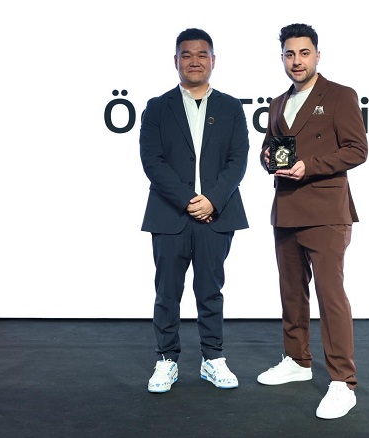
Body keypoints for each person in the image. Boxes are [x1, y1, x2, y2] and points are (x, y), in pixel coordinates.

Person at [257, 23, 368, 419]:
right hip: (286, 207)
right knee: (291, 292)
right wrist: (266, 158)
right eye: (290, 54)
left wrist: (311, 166)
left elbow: (357, 149)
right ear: (282, 58)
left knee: (330, 295)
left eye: (304, 53)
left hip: (325, 211)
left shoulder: (340, 95)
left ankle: (343, 381)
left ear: (317, 55)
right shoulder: (276, 103)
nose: (297, 61)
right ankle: (297, 360)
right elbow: (269, 148)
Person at [140, 28, 250, 393]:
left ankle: (212, 358)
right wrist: (188, 199)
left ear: (213, 60)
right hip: (169, 215)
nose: (195, 61)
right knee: (167, 291)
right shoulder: (158, 107)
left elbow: (238, 160)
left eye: (202, 54)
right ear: (176, 61)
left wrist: (212, 200)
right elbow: (152, 160)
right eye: (186, 55)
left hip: (216, 216)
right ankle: (166, 359)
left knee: (210, 289)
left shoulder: (231, 107)